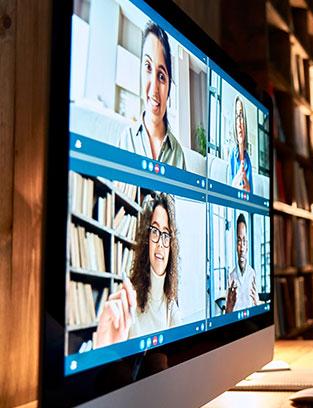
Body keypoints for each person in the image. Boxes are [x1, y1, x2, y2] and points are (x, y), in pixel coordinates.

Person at [94, 192, 181, 348]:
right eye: (155, 231)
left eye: (166, 234)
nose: (160, 243)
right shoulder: (128, 300)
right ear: (147, 239)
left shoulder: (171, 307)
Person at [117, 22, 187, 171]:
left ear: (169, 88)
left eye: (161, 76)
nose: (154, 89)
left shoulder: (178, 155)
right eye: (148, 67)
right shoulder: (126, 139)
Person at [225, 213, 258, 313]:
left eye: (244, 241)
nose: (242, 248)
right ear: (236, 246)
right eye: (239, 241)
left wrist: (257, 303)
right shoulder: (231, 277)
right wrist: (229, 307)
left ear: (247, 245)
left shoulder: (252, 274)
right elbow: (227, 314)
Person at [228, 96, 254, 192]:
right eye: (236, 117)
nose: (239, 123)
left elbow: (251, 194)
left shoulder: (248, 159)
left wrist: (248, 187)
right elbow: (228, 193)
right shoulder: (232, 155)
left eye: (241, 116)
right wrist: (236, 181)